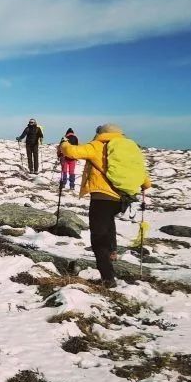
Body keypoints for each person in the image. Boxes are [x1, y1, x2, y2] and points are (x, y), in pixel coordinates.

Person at [58, 123, 152, 288]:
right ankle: (113, 251)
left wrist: (64, 143)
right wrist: (143, 184)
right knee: (108, 223)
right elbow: (144, 178)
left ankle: (108, 279)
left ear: (101, 133)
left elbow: (71, 151)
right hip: (122, 198)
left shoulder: (98, 145)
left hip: (102, 197)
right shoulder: (128, 148)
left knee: (98, 238)